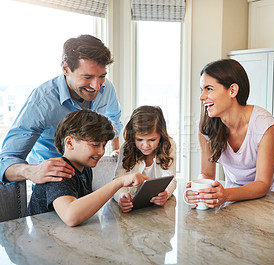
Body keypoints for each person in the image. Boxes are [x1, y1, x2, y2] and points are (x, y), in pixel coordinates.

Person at [0, 34, 123, 185]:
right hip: (55, 180)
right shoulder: (42, 102)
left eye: (101, 76)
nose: (96, 86)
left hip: (89, 176)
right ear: (65, 68)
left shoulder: (107, 88)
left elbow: (114, 120)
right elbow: (6, 160)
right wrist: (32, 171)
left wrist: (115, 152)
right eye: (87, 77)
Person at [185, 59, 274, 209]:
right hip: (235, 190)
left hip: (273, 192)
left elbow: (262, 183)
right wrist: (200, 190)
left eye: (209, 89)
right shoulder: (206, 126)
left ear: (232, 90)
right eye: (202, 89)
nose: (202, 97)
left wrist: (226, 195)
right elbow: (206, 174)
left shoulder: (264, 124)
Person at [26, 110, 147, 227]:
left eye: (104, 145)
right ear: (69, 143)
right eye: (95, 145)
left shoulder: (85, 169)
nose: (101, 152)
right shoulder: (59, 171)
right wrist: (119, 182)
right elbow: (71, 216)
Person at [113, 105, 177, 212]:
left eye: (152, 139)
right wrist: (121, 196)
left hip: (157, 209)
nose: (146, 145)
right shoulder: (126, 147)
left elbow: (171, 179)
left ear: (161, 135)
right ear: (133, 136)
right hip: (132, 205)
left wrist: (166, 193)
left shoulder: (169, 145)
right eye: (139, 139)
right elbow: (118, 180)